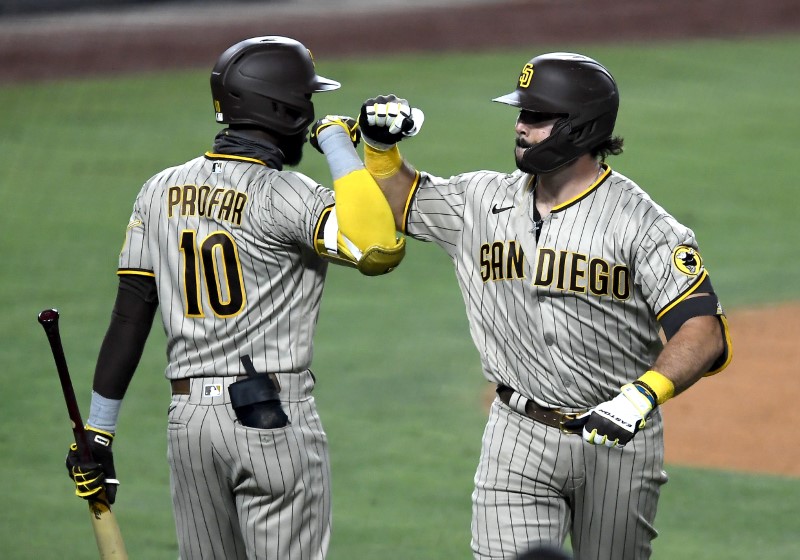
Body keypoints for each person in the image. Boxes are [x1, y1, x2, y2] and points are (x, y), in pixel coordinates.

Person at [356, 52, 732, 559]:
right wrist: (380, 150)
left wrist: (639, 398)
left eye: (536, 117)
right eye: (520, 113)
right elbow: (398, 202)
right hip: (517, 436)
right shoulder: (480, 201)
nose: (520, 126)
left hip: (618, 444)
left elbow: (702, 332)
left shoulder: (642, 224)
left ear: (580, 127)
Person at [63, 36, 405, 560]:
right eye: (305, 102)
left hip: (189, 427)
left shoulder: (159, 190)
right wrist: (337, 142)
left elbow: (130, 313)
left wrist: (99, 433)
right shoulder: (288, 194)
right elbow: (379, 246)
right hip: (271, 418)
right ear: (284, 110)